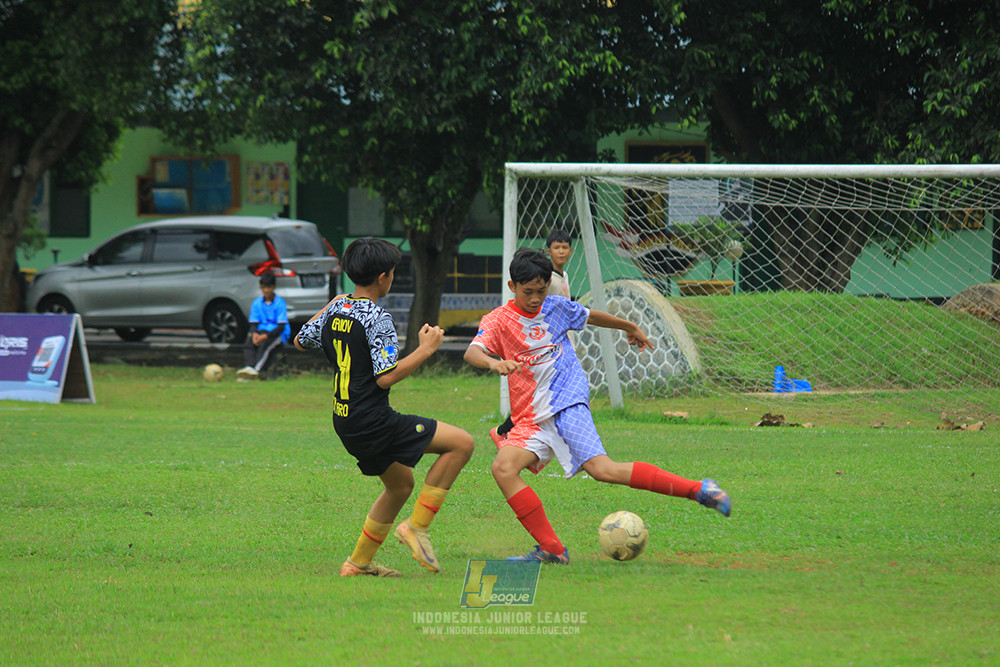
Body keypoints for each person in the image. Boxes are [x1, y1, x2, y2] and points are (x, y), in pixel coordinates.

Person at [464, 248, 731, 564]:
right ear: (512, 287)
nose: (536, 298)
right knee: (503, 468)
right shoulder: (498, 320)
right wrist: (494, 363)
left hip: (567, 403)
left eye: (542, 290)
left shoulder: (558, 307)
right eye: (528, 292)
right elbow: (472, 352)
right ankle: (552, 549)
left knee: (603, 470)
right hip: (531, 418)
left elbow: (590, 315)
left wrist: (629, 326)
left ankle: (700, 490)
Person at [295, 237, 474, 577]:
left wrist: (333, 303)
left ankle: (358, 563)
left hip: (345, 420)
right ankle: (417, 527)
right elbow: (386, 378)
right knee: (462, 443)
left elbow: (301, 340)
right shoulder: (377, 317)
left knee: (400, 485)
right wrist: (426, 349)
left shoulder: (336, 309)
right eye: (392, 273)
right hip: (372, 419)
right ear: (383, 277)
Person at [489, 229, 574, 442]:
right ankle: (506, 432)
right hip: (541, 344)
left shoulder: (563, 277)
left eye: (565, 247)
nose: (561, 252)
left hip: (558, 342)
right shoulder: (546, 281)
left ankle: (505, 432)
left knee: (544, 395)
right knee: (538, 395)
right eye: (557, 248)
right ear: (549, 250)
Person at [238, 272, 290, 380]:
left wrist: (264, 337)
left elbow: (281, 326)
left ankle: (255, 371)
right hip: (261, 331)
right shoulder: (257, 303)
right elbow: (254, 323)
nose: (266, 291)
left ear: (273, 287)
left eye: (269, 287)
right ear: (261, 287)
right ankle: (249, 367)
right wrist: (254, 334)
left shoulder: (280, 303)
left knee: (265, 345)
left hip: (277, 334)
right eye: (264, 287)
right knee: (249, 343)